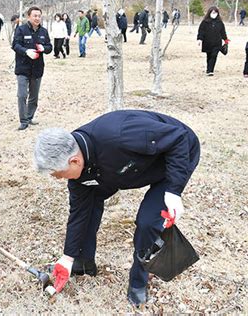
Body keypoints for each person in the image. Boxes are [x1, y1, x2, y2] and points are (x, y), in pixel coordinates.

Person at [33, 110, 200, 307]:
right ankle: (83, 262)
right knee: (88, 201)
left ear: (74, 161)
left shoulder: (121, 135)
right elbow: (79, 213)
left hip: (175, 157)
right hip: (127, 168)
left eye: (57, 174)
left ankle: (138, 282)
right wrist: (68, 257)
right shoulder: (79, 169)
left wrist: (173, 191)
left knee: (148, 221)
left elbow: (178, 139)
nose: (58, 179)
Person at [12, 6, 52, 131]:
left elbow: (49, 47)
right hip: (23, 68)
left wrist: (44, 48)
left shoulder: (43, 32)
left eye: (39, 16)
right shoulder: (21, 30)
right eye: (35, 16)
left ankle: (29, 117)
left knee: (34, 96)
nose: (37, 18)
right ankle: (23, 121)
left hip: (37, 69)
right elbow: (15, 45)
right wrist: (26, 51)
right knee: (22, 95)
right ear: (29, 16)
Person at [197, 6, 229, 76]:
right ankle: (209, 69)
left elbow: (223, 32)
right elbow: (201, 31)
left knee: (214, 55)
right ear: (209, 13)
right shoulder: (205, 22)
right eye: (213, 12)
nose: (214, 14)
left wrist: (226, 40)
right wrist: (199, 39)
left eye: (215, 12)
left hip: (217, 43)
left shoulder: (220, 22)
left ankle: (210, 71)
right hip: (207, 42)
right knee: (209, 56)